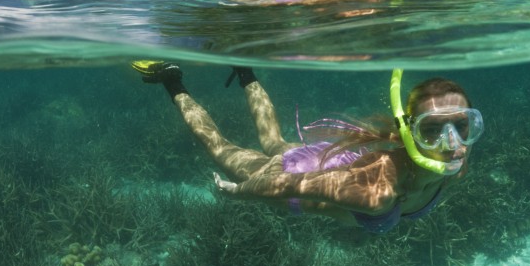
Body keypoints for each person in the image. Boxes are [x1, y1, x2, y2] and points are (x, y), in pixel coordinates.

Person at [130, 62, 483, 234]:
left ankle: (243, 66)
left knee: (273, 142)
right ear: (408, 132)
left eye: (462, 126)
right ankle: (171, 80)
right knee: (221, 151)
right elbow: (287, 185)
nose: (453, 143)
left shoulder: (456, 164)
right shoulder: (377, 193)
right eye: (432, 130)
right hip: (294, 176)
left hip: (327, 164)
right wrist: (236, 193)